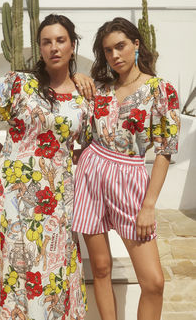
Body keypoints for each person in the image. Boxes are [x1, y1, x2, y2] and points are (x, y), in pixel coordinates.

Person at [0, 14, 92, 320]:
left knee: (52, 266)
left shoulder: (84, 97)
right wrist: (7, 157)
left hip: (56, 194)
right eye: (46, 42)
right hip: (12, 195)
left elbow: (87, 149)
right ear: (39, 48)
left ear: (73, 45)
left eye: (61, 40)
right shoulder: (18, 84)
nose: (54, 48)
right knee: (19, 265)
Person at [72, 17, 180, 320]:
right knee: (102, 268)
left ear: (136, 44)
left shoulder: (161, 90)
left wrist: (149, 204)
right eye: (107, 51)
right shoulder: (100, 90)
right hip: (91, 175)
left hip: (130, 179)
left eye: (120, 46)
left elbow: (165, 149)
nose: (114, 55)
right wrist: (78, 77)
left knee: (154, 282)